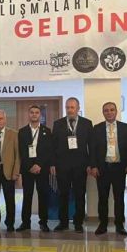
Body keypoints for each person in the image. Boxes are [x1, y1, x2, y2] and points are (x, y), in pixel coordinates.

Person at [89, 102, 127, 235]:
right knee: (102, 198)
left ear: (116, 111)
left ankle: (119, 225)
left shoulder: (125, 128)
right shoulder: (97, 128)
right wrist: (93, 166)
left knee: (119, 198)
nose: (109, 112)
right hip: (103, 168)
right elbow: (92, 149)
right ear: (103, 113)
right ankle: (103, 224)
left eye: (112, 110)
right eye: (106, 110)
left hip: (119, 168)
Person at [51, 97, 92, 232]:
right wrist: (53, 164)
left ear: (78, 108)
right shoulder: (58, 124)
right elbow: (53, 146)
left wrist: (90, 164)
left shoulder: (87, 123)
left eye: (72, 107)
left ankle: (78, 222)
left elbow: (91, 146)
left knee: (80, 194)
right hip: (62, 166)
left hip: (81, 166)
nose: (69, 110)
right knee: (63, 194)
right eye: (67, 107)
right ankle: (63, 222)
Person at [17, 105, 53, 232]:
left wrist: (39, 165)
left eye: (36, 112)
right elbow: (22, 151)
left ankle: (43, 222)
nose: (34, 114)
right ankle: (25, 222)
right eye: (31, 112)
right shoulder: (22, 131)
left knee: (43, 195)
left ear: (40, 115)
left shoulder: (47, 131)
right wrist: (30, 166)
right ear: (29, 114)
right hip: (27, 169)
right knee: (27, 195)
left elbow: (48, 151)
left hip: (42, 169)